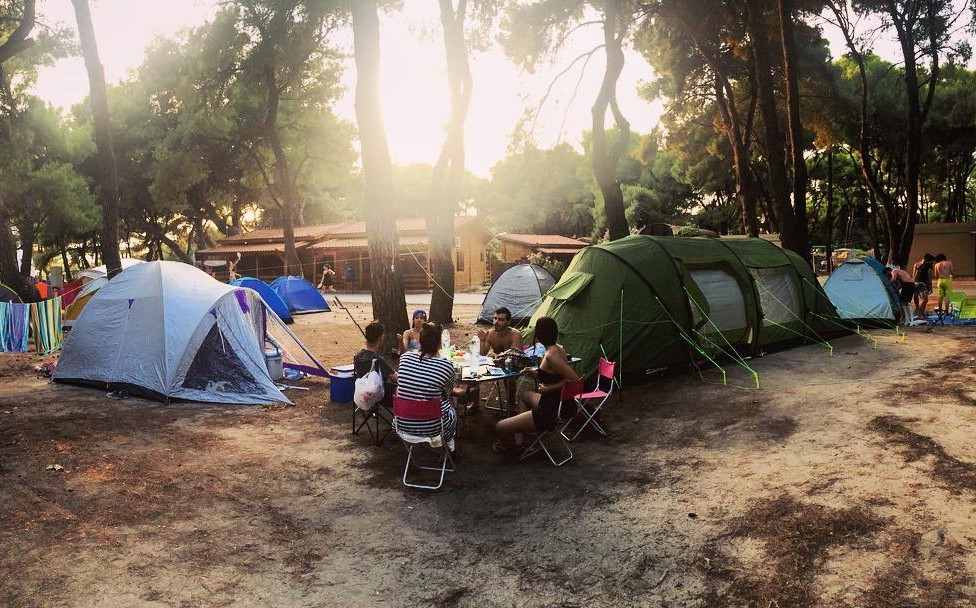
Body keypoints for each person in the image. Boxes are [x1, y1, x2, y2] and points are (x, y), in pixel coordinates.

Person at [494, 316, 581, 453]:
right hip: (557, 401)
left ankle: (513, 450)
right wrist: (535, 373)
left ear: (539, 335)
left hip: (549, 409)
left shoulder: (551, 356)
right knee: (523, 395)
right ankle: (519, 442)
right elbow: (556, 376)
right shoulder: (558, 349)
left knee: (499, 426)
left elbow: (574, 380)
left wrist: (548, 389)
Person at [395, 322, 465, 443]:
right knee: (451, 405)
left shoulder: (405, 358)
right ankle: (447, 449)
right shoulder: (445, 365)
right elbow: (447, 393)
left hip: (403, 424)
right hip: (434, 428)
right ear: (439, 344)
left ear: (420, 341)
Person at [473, 306, 524, 412]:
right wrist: (483, 340)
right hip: (497, 364)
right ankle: (475, 404)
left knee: (510, 375)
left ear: (508, 322)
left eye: (500, 319)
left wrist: (498, 359)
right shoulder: (490, 334)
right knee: (474, 370)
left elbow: (515, 356)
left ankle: (511, 404)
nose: (496, 322)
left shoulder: (515, 334)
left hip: (514, 365)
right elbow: (482, 355)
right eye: (495, 318)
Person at [354, 320, 398, 388]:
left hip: (362, 393)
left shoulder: (358, 356)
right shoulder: (378, 360)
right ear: (380, 339)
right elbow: (396, 378)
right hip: (378, 395)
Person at [912, 253, 934, 318]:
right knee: (924, 300)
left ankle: (919, 311)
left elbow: (914, 275)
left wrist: (914, 282)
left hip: (916, 283)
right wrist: (930, 287)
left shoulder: (918, 265)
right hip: (922, 284)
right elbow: (929, 278)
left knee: (918, 297)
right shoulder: (928, 266)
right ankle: (920, 313)